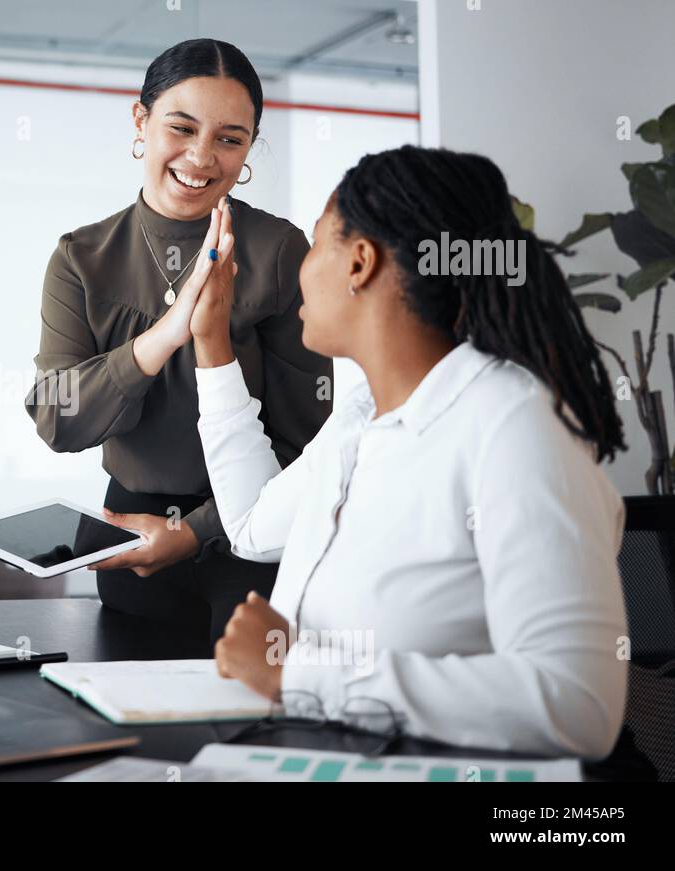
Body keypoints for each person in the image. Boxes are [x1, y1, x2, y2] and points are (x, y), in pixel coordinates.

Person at [193, 144, 629, 758]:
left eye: (317, 244)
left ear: (359, 263)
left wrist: (301, 674)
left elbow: (577, 703)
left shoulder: (512, 425)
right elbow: (248, 527)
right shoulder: (362, 420)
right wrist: (211, 341)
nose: (300, 268)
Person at [25, 38, 331, 643]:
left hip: (252, 540)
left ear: (248, 149)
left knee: (234, 717)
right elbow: (59, 420)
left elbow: (310, 445)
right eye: (182, 127)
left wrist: (194, 532)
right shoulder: (81, 259)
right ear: (141, 121)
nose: (201, 157)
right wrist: (164, 336)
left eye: (229, 138)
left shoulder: (279, 252)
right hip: (127, 534)